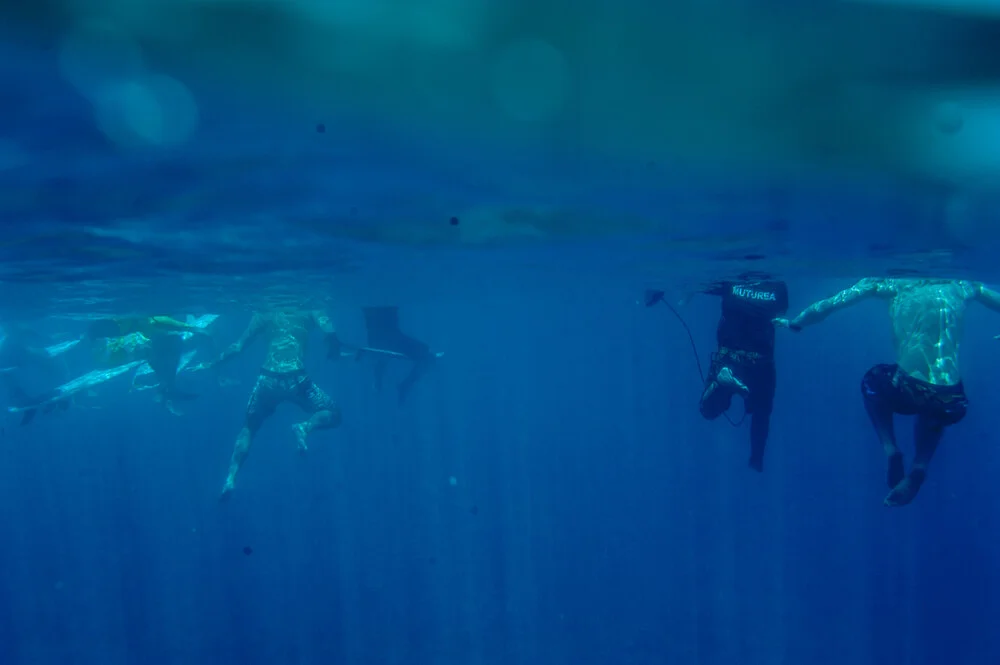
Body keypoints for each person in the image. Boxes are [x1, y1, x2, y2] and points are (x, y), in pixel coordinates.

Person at [774, 278, 1000, 507]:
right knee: (935, 408)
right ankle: (919, 467)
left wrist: (796, 322)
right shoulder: (961, 286)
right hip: (954, 400)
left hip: (909, 388)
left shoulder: (893, 284)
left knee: (872, 380)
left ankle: (890, 447)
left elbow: (829, 306)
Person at [650, 276, 789, 472]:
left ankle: (720, 383)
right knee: (761, 414)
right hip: (761, 362)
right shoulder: (778, 288)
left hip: (729, 357)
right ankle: (756, 459)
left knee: (708, 410)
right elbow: (781, 312)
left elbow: (694, 283)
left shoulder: (731, 282)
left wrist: (659, 288)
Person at [204, 308, 342, 500]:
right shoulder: (309, 305)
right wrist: (334, 346)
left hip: (267, 380)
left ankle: (231, 478)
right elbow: (329, 329)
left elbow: (237, 347)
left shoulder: (262, 311)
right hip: (297, 379)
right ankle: (305, 427)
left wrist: (212, 364)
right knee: (333, 413)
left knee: (249, 427)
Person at [360, 306, 436, 405]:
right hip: (381, 339)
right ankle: (380, 376)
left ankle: (404, 385)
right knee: (385, 352)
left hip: (392, 337)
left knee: (428, 356)